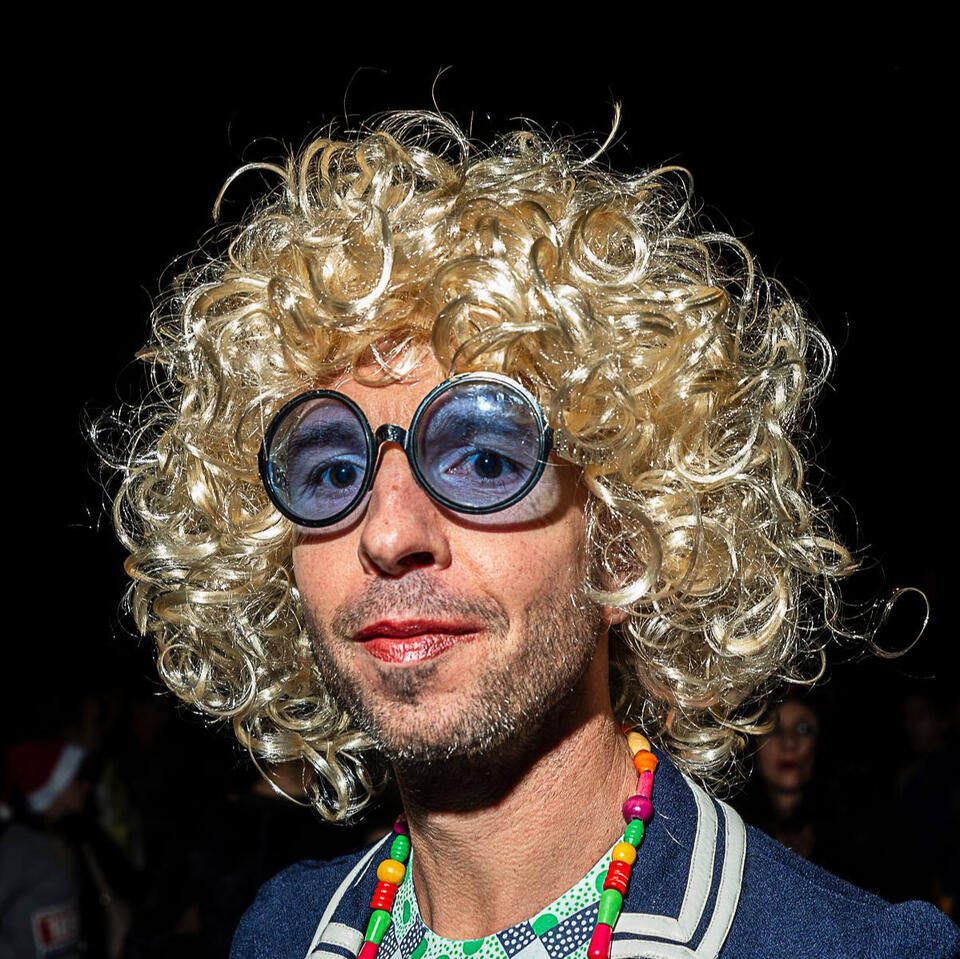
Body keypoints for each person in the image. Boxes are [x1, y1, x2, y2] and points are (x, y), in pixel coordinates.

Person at [102, 110, 960, 958]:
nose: (388, 533)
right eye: (331, 472)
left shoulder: (843, 948)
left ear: (623, 542)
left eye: (483, 458)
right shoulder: (283, 932)